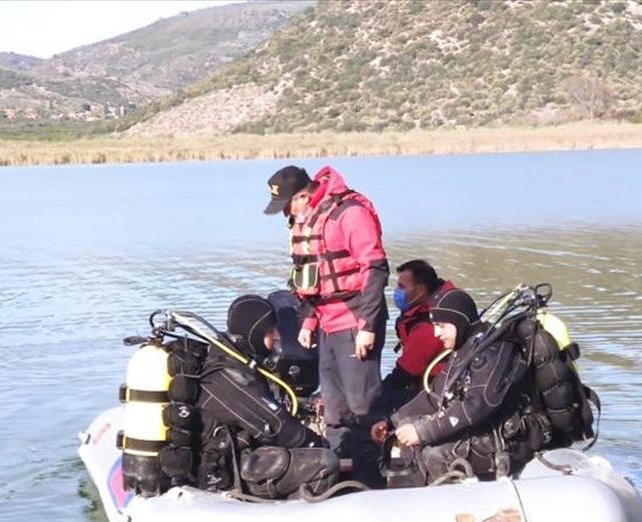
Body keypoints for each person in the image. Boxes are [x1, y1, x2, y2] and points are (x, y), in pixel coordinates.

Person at [263, 164, 388, 484]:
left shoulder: (350, 214)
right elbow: (312, 278)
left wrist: (367, 326)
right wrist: (309, 321)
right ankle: (339, 478)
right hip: (328, 325)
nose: (285, 214)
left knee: (362, 408)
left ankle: (372, 482)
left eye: (287, 206)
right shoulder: (310, 219)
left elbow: (375, 269)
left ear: (303, 197)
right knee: (333, 410)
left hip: (355, 321)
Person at [384, 291, 553, 485]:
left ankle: (453, 498)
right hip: (485, 431)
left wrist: (423, 432)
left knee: (434, 454)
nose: (436, 333)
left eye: (441, 326)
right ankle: (414, 495)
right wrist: (393, 422)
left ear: (459, 322)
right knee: (406, 429)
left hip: (513, 440)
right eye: (435, 326)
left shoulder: (494, 351)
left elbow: (477, 406)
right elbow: (435, 397)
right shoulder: (464, 349)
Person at [193, 295, 340, 499]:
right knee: (324, 463)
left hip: (238, 453)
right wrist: (319, 445)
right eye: (271, 331)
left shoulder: (233, 359)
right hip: (227, 468)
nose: (278, 336)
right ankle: (294, 514)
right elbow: (278, 426)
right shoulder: (229, 375)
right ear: (253, 334)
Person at [375, 259, 454, 415]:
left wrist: (373, 396)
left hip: (437, 394)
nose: (396, 292)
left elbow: (404, 373)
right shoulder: (435, 309)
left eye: (401, 287)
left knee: (377, 401)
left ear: (420, 290)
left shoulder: (428, 326)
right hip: (434, 386)